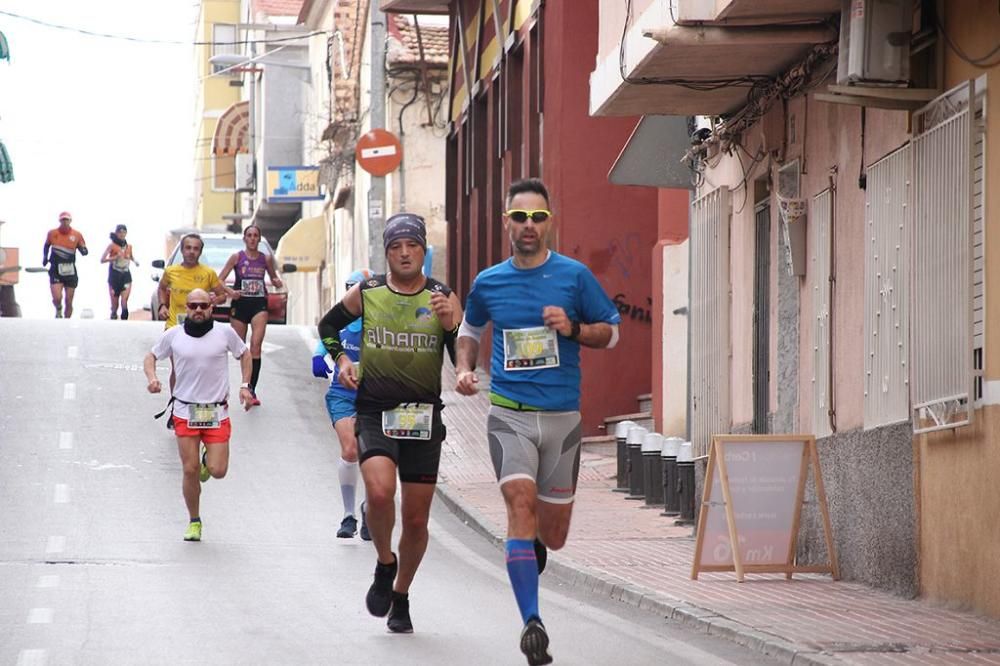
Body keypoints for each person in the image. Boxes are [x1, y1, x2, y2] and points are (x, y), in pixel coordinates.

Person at [454, 178, 622, 666]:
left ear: (550, 223)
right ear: (506, 222)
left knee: (555, 531)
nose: (529, 225)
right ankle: (532, 621)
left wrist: (572, 328)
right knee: (518, 503)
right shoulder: (489, 282)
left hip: (563, 419)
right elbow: (470, 329)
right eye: (520, 217)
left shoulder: (574, 277)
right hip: (510, 415)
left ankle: (535, 546)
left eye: (538, 217)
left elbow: (611, 334)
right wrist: (465, 369)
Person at [317, 213, 462, 634]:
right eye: (396, 247)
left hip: (422, 417)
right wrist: (342, 359)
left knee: (416, 520)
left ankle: (401, 594)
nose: (403, 253)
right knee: (380, 494)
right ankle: (384, 561)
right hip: (375, 411)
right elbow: (328, 326)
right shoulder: (369, 292)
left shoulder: (442, 296)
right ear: (387, 252)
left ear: (423, 251)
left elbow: (462, 355)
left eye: (412, 245)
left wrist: (451, 325)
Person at [143, 289, 255, 542]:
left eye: (203, 305)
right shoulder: (174, 335)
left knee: (218, 470)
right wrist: (152, 379)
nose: (197, 310)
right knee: (189, 469)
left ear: (211, 307)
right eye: (193, 306)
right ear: (186, 307)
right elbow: (150, 356)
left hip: (216, 411)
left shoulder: (224, 333)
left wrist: (245, 386)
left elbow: (245, 353)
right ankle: (194, 521)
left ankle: (208, 462)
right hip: (185, 410)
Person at [312, 269, 372, 540]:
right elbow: (325, 339)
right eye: (350, 289)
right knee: (350, 449)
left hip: (375, 397)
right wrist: (317, 357)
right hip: (342, 395)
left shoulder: (379, 325)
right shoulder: (341, 323)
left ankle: (370, 508)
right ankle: (349, 516)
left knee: (373, 455)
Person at [157, 233, 234, 418]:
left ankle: (202, 409)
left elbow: (222, 294)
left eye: (196, 248)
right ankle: (177, 409)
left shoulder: (207, 273)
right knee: (179, 369)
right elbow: (161, 288)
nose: (191, 252)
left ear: (200, 252)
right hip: (176, 325)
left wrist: (217, 299)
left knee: (200, 366)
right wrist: (162, 305)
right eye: (188, 248)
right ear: (182, 250)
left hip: (201, 327)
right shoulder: (171, 271)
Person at [218, 225, 283, 406]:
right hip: (240, 305)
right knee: (239, 349)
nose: (253, 239)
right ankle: (224, 388)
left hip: (259, 305)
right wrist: (231, 293)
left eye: (256, 236)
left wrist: (277, 282)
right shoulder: (237, 257)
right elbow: (219, 279)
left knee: (255, 346)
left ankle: (250, 389)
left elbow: (274, 277)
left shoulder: (265, 258)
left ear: (259, 239)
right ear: (244, 239)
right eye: (249, 235)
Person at [43, 211, 88, 318]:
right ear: (60, 221)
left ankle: (67, 321)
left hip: (70, 269)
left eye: (67, 220)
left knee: (69, 300)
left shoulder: (77, 234)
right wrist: (45, 257)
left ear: (70, 221)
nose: (65, 222)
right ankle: (58, 308)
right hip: (55, 268)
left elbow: (83, 248)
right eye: (63, 220)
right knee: (57, 297)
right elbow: (46, 246)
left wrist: (83, 250)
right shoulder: (52, 233)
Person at [100, 224, 139, 320]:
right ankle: (113, 315)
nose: (122, 234)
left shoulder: (129, 246)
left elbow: (131, 256)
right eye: (120, 232)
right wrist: (114, 258)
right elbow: (102, 260)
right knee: (115, 304)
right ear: (116, 233)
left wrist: (135, 261)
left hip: (125, 275)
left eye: (124, 232)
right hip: (114, 275)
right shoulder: (112, 246)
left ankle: (124, 318)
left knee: (124, 301)